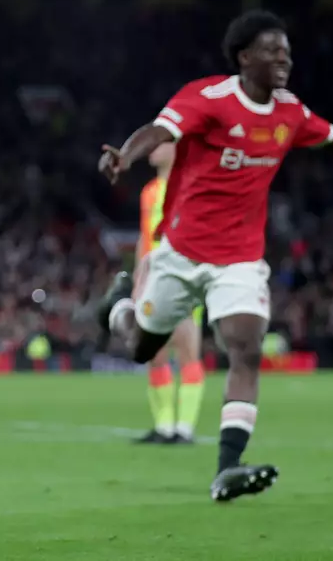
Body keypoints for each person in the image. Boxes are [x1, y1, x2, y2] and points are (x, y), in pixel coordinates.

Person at [96, 10, 333, 503]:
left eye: (287, 51)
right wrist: (125, 155)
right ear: (244, 56)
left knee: (245, 347)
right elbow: (158, 130)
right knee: (140, 348)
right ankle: (119, 308)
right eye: (273, 50)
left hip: (240, 258)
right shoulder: (208, 98)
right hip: (181, 251)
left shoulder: (290, 112)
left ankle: (227, 469)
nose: (284, 59)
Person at [131, 142, 205, 445]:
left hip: (181, 277)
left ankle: (184, 429)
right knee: (154, 353)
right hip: (151, 280)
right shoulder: (149, 191)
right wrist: (138, 276)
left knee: (187, 349)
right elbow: (144, 237)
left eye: (159, 144)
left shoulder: (189, 185)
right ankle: (164, 427)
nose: (152, 149)